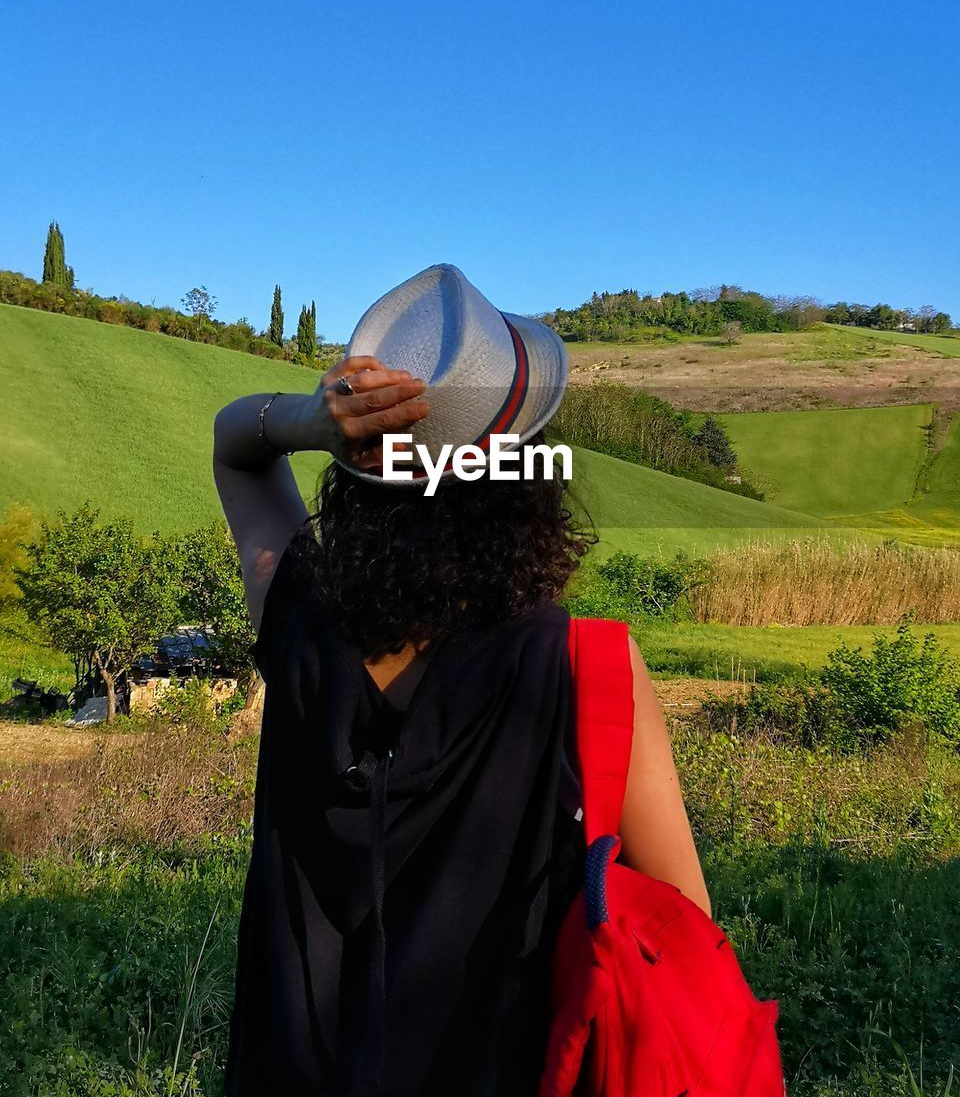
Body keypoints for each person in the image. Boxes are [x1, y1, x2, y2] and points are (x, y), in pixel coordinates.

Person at [213, 264, 709, 1097]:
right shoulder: (585, 666)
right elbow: (683, 931)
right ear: (522, 481)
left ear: (356, 476)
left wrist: (308, 417)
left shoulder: (296, 619)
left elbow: (237, 450)